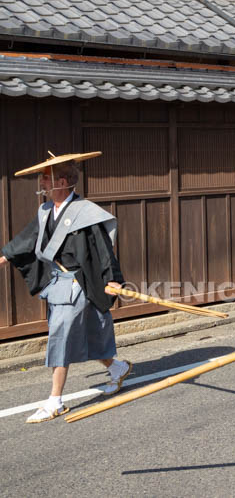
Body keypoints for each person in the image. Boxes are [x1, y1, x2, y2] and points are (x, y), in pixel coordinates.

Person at [0, 153, 131, 423]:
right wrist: (3, 257)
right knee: (91, 330)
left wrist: (114, 279)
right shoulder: (46, 210)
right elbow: (27, 239)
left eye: (46, 179)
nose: (42, 183)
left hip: (80, 282)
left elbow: (104, 251)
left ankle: (55, 400)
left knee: (60, 334)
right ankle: (117, 368)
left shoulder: (85, 213)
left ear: (61, 182)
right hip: (58, 283)